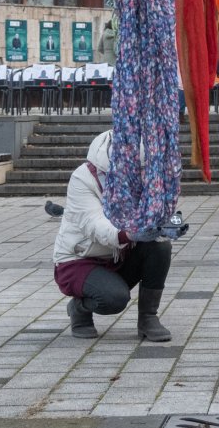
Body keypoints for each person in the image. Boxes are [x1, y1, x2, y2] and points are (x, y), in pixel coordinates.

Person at [52, 130, 173, 341]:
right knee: (114, 299)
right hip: (80, 260)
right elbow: (96, 227)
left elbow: (151, 209)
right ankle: (79, 309)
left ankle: (148, 318)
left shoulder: (142, 175)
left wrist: (165, 222)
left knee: (160, 246)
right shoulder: (82, 179)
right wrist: (132, 233)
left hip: (118, 254)